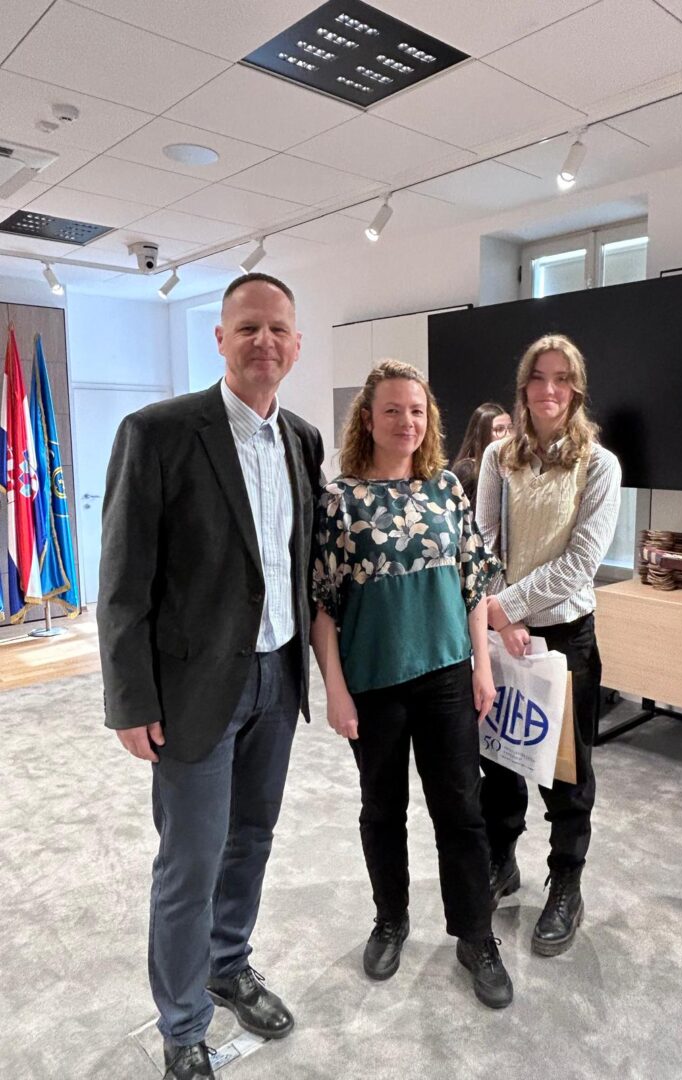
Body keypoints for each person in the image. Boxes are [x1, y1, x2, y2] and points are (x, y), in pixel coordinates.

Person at [97, 273, 323, 1080]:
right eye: (249, 327)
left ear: (296, 345)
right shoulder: (158, 432)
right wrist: (129, 699)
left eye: (279, 329)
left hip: (277, 680)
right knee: (189, 863)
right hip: (195, 692)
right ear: (220, 339)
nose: (265, 341)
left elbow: (299, 564)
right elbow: (123, 580)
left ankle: (230, 966)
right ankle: (184, 1022)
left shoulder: (302, 440)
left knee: (252, 842)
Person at [310, 359, 514, 1009]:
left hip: (447, 675)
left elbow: (473, 584)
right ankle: (390, 919)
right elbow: (322, 607)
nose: (407, 421)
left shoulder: (447, 489)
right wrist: (335, 690)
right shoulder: (339, 500)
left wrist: (481, 665)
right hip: (373, 682)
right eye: (393, 409)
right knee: (383, 809)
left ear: (430, 420)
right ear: (368, 419)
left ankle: (476, 935)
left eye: (417, 410)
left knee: (461, 810)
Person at [476, 334, 621, 956]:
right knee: (500, 758)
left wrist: (505, 607)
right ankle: (501, 860)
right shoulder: (497, 457)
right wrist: (501, 617)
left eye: (562, 378)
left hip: (564, 637)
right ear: (524, 385)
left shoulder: (599, 465)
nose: (549, 389)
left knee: (566, 773)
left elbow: (580, 564)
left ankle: (566, 882)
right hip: (503, 633)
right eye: (539, 377)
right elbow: (484, 543)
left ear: (576, 388)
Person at [452, 402, 512, 512]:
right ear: (483, 434)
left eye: (510, 428)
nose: (508, 435)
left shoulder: (508, 469)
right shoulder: (467, 470)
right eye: (499, 429)